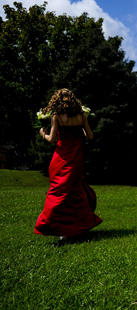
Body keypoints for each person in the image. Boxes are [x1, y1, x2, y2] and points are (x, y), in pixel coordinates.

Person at [35, 88, 102, 238]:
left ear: (57, 100)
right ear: (73, 99)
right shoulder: (82, 116)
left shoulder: (56, 116)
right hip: (77, 158)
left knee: (59, 191)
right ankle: (76, 228)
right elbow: (90, 136)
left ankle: (58, 228)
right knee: (75, 190)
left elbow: (52, 140)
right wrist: (82, 129)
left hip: (61, 158)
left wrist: (43, 134)